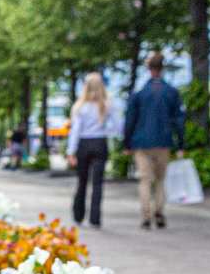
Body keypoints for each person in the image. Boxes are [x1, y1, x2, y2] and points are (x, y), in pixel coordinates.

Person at [122, 51, 186, 229]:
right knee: (161, 179)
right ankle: (159, 210)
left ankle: (145, 215)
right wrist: (181, 144)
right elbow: (179, 120)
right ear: (162, 69)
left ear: (148, 69)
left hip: (142, 143)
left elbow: (130, 120)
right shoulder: (171, 93)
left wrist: (127, 143)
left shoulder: (140, 94)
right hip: (164, 141)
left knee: (145, 180)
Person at [65, 72, 121, 227]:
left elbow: (75, 131)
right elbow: (119, 126)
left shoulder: (80, 107)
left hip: (84, 144)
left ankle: (78, 215)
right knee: (97, 183)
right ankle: (95, 218)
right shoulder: (107, 105)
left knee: (82, 181)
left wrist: (71, 151)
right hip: (100, 144)